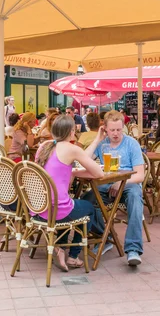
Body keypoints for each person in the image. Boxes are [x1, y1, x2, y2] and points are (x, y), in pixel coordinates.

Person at [35, 115, 106, 271]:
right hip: (57, 211)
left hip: (38, 209)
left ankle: (60, 248)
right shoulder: (72, 149)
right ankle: (74, 256)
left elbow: (68, 163)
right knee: (88, 208)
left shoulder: (44, 146)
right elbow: (99, 174)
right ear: (72, 131)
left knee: (68, 204)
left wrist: (96, 141)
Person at [88, 110, 146, 266]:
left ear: (123, 128)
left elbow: (140, 175)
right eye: (112, 130)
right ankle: (104, 237)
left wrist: (121, 182)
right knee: (87, 200)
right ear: (105, 128)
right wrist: (97, 139)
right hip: (106, 184)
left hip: (129, 183)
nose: (115, 133)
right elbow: (84, 160)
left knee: (135, 199)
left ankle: (133, 249)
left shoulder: (131, 143)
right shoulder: (102, 143)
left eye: (119, 129)